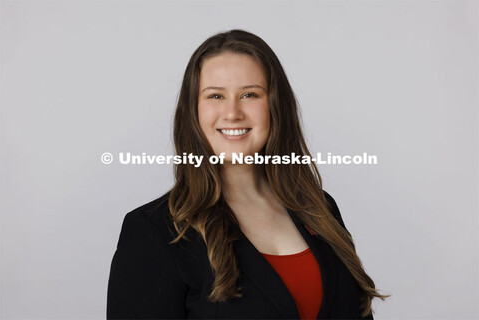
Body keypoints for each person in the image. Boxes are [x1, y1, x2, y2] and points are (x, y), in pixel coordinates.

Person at [106, 29, 389, 319]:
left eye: (249, 94)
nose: (232, 112)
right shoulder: (154, 232)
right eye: (215, 95)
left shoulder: (319, 209)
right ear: (193, 111)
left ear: (275, 106)